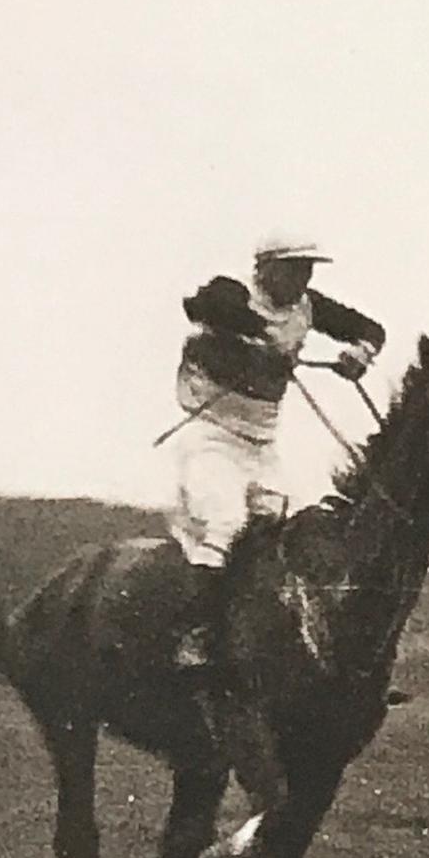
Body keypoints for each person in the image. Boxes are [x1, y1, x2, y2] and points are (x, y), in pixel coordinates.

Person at [167, 233, 387, 667]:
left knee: (307, 527)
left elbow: (371, 329)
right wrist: (260, 338)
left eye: (308, 269)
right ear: (265, 267)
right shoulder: (231, 291)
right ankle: (195, 637)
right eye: (293, 268)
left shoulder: (308, 305)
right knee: (226, 523)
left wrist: (359, 353)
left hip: (262, 446)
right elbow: (203, 306)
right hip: (208, 437)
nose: (302, 278)